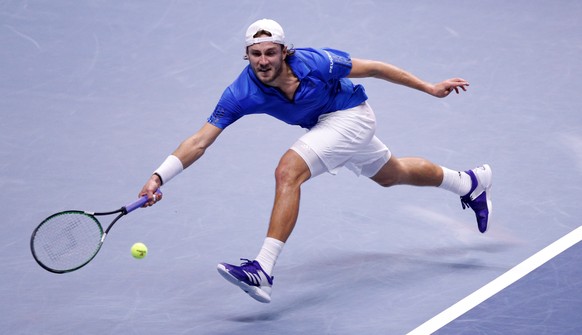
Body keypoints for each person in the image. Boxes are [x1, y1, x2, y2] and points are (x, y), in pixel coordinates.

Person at [138, 19, 492, 303]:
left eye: (270, 52)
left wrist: (429, 87)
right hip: (326, 126)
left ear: (283, 51)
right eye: (255, 53)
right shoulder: (240, 92)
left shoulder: (316, 61)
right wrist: (159, 177)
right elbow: (200, 141)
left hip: (352, 115)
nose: (263, 61)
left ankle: (263, 268)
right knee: (391, 173)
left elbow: (374, 69)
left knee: (288, 171)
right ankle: (468, 182)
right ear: (247, 55)